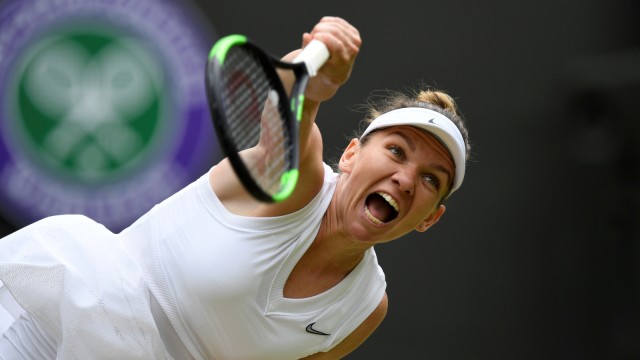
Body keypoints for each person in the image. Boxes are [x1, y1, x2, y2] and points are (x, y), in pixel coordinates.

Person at [0, 16, 471, 359]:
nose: (406, 178)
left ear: (430, 216)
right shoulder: (292, 181)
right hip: (49, 336)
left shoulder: (364, 309)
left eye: (432, 178)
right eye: (396, 150)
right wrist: (313, 79)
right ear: (350, 155)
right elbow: (286, 107)